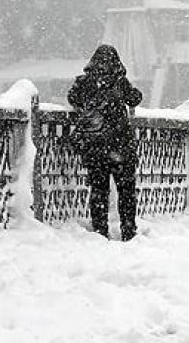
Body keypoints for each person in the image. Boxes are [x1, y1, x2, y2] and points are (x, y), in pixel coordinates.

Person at [66, 44, 144, 241]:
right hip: (120, 146)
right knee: (126, 191)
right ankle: (128, 230)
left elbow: (72, 98)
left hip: (95, 147)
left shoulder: (85, 82)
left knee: (99, 191)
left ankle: (100, 231)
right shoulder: (119, 82)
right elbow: (135, 99)